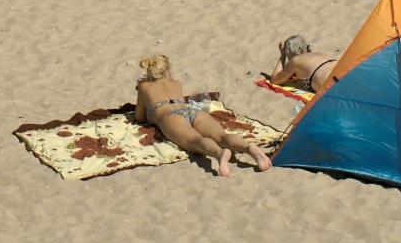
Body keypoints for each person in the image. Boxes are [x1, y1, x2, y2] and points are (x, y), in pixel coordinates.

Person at [134, 54, 270, 178]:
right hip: (192, 111)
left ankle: (219, 153)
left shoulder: (144, 86)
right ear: (167, 70)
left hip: (171, 117)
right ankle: (249, 148)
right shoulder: (176, 83)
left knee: (195, 140)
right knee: (221, 136)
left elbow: (139, 118)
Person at [266, 35, 337, 93]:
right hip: (341, 72)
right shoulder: (318, 54)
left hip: (328, 85)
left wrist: (282, 55)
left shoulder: (295, 60)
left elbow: (275, 79)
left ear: (290, 52)